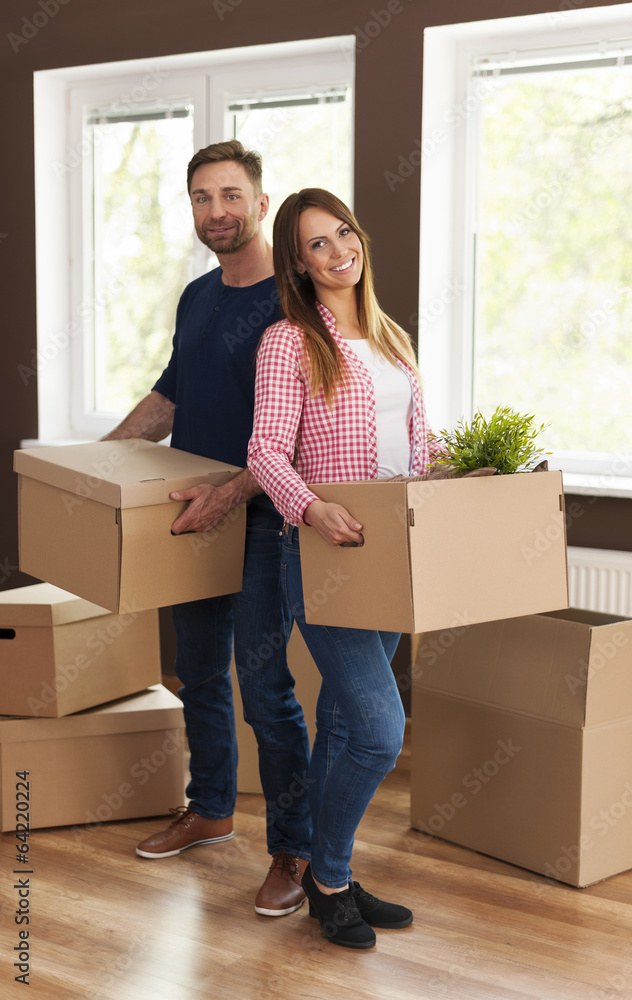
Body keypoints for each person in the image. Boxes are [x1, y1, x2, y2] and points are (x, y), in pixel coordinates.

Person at [103, 141, 311, 918]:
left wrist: (230, 495)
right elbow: (169, 397)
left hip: (264, 520)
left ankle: (291, 847)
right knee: (196, 671)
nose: (215, 211)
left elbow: (301, 429)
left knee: (266, 691)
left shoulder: (297, 300)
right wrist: (98, 466)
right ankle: (211, 808)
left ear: (262, 203)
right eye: (200, 197)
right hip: (191, 513)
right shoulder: (196, 296)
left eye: (230, 195)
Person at [247, 188, 436, 949]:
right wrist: (312, 510)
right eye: (315, 244)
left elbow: (417, 444)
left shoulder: (392, 338)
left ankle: (332, 877)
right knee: (381, 732)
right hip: (326, 555)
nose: (336, 252)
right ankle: (328, 879)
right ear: (297, 261)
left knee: (340, 726)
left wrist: (474, 468)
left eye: (343, 234)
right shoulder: (288, 342)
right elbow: (264, 452)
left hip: (394, 551)